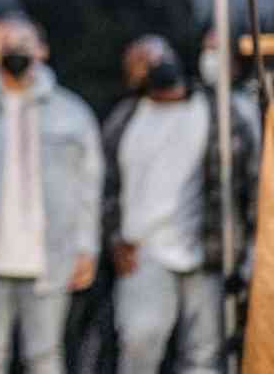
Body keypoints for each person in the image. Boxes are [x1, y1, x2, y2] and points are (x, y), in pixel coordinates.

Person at [0, 14, 102, 374]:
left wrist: (86, 246)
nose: (15, 49)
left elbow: (90, 186)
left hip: (51, 258)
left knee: (45, 357)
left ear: (43, 50)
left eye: (25, 42)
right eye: (5, 42)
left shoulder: (74, 114)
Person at [103, 35, 257, 373]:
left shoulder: (217, 111)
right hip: (144, 253)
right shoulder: (125, 120)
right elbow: (106, 186)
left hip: (208, 251)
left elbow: (250, 180)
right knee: (140, 341)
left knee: (204, 354)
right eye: (142, 62)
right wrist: (113, 237)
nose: (154, 65)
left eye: (158, 56)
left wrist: (248, 249)